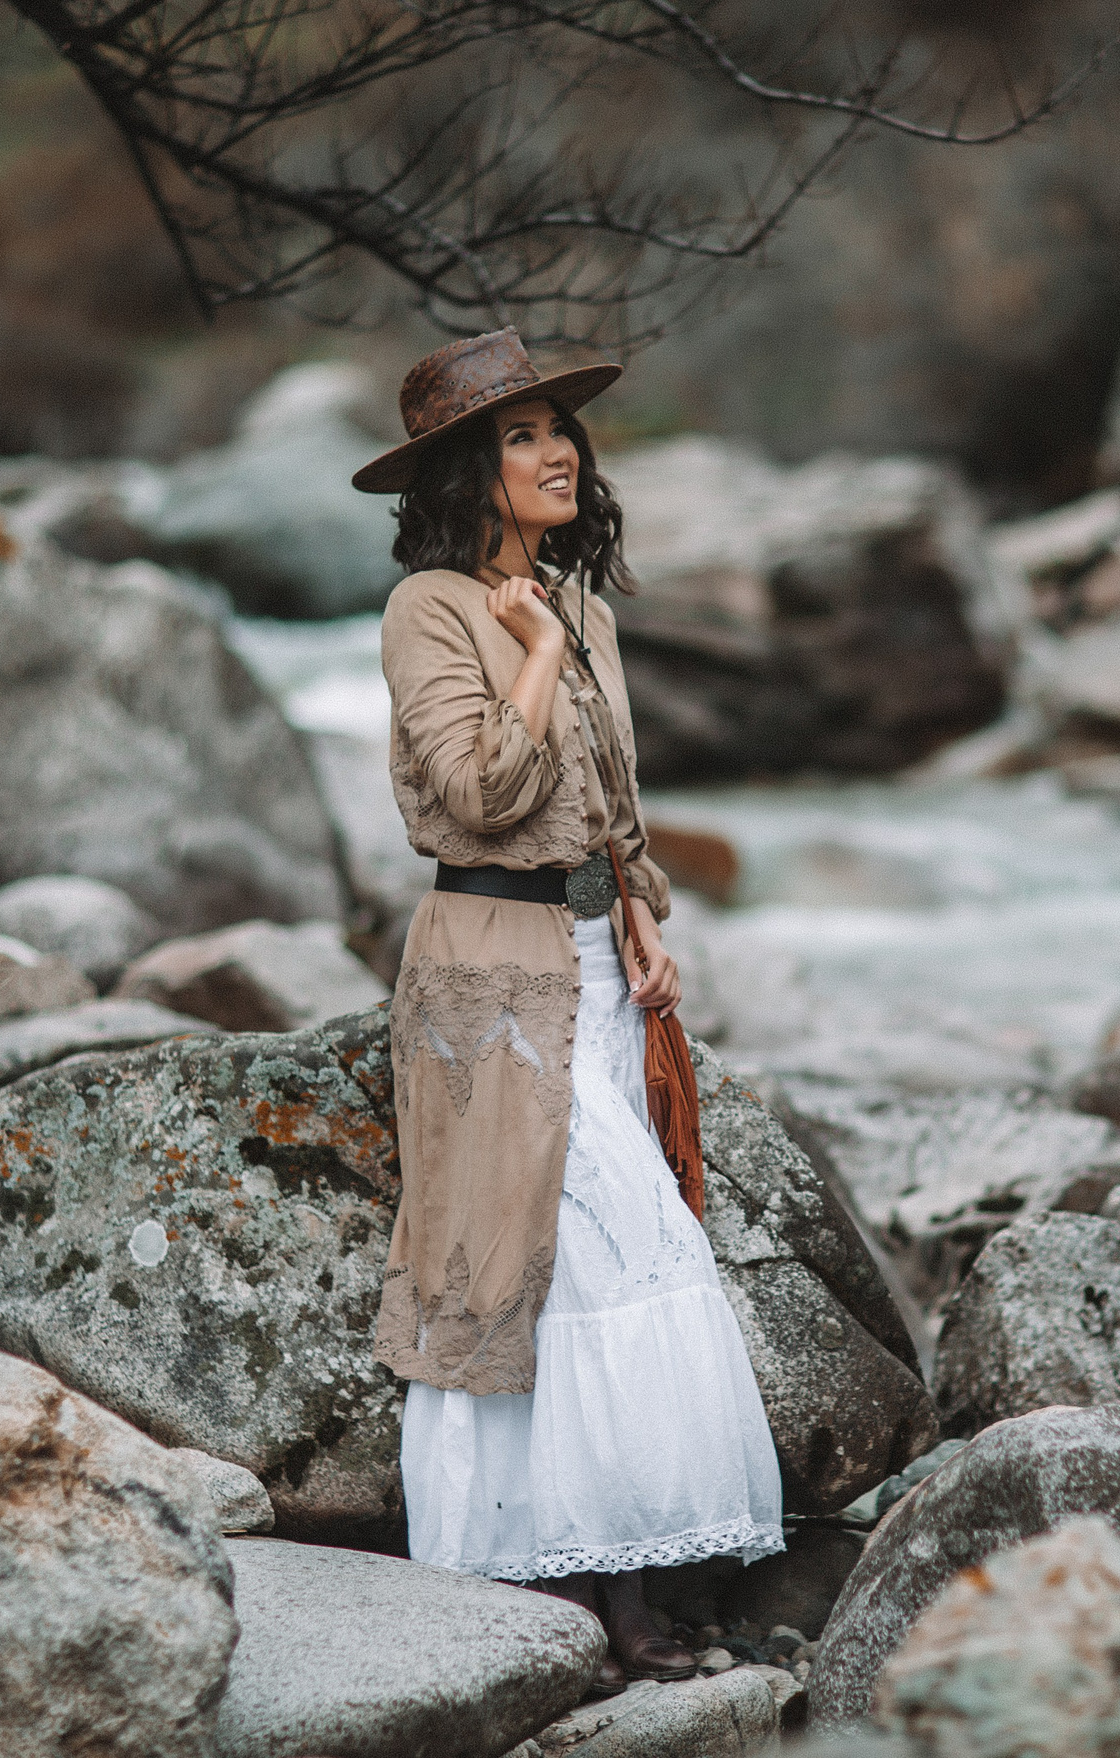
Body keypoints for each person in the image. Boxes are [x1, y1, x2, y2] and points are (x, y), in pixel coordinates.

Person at [352, 329, 783, 1693]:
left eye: (561, 431)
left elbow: (612, 796)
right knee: (551, 1264)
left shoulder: (585, 604)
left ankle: (634, 1575)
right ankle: (567, 1585)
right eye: (523, 433)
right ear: (468, 469)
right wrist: (528, 646)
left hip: (598, 963)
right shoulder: (431, 607)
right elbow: (479, 794)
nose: (558, 454)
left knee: (643, 1256)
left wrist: (644, 902)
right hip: (486, 970)